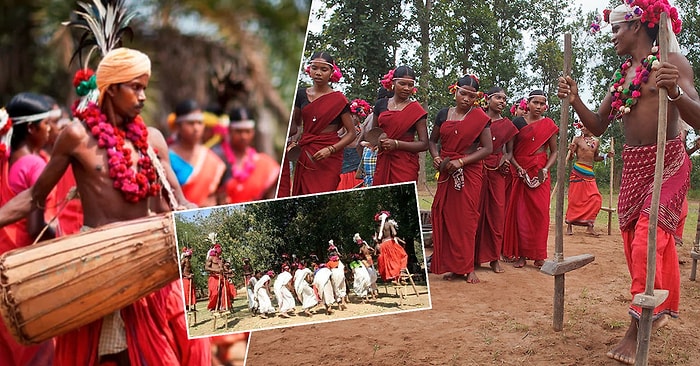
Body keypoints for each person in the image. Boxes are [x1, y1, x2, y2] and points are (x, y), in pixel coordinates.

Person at [0, 47, 209, 365]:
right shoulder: (76, 136)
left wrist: (192, 212)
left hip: (149, 260)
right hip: (96, 263)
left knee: (161, 353)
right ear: (112, 89)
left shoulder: (152, 139)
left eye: (145, 88)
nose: (142, 97)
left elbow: (176, 201)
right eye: (135, 87)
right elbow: (34, 197)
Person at [557, 1, 695, 363]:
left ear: (637, 26)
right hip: (634, 167)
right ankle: (655, 307)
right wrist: (574, 100)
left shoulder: (672, 63)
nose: (613, 36)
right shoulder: (623, 76)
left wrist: (676, 93)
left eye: (617, 29)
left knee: (650, 236)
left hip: (667, 162)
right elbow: (599, 124)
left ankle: (637, 327)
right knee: (635, 242)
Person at [0, 93, 59, 366]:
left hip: (4, 265)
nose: (50, 129)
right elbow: (36, 226)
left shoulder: (6, 164)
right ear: (32, 128)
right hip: (26, 272)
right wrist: (61, 236)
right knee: (37, 352)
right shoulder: (36, 165)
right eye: (46, 123)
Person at [429, 75, 493, 284]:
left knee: (466, 219)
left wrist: (463, 162)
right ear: (454, 91)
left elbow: (488, 149)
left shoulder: (480, 118)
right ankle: (453, 266)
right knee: (446, 217)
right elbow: (432, 141)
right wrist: (436, 157)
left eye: (471, 95)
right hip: (447, 170)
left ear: (477, 98)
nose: (466, 98)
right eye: (462, 93)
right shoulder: (442, 114)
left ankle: (468, 267)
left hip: (469, 172)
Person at [286, 51, 356, 195]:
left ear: (331, 73)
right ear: (309, 70)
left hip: (330, 155)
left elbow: (351, 133)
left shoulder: (339, 100)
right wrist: (291, 141)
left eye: (324, 69)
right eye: (314, 68)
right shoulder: (300, 94)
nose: (318, 73)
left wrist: (330, 149)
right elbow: (296, 125)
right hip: (306, 152)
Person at [502, 89, 558, 269]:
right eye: (536, 103)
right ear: (528, 103)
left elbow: (555, 151)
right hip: (520, 172)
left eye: (542, 104)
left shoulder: (549, 124)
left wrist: (545, 169)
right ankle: (521, 254)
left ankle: (539, 255)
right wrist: (519, 169)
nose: (539, 107)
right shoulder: (517, 123)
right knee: (521, 215)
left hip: (540, 172)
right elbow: (509, 152)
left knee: (540, 214)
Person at [475, 86, 519, 273]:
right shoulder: (476, 118)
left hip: (497, 171)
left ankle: (494, 258)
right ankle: (472, 258)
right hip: (476, 167)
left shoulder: (508, 125)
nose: (502, 101)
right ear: (488, 99)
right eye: (498, 98)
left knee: (496, 214)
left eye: (504, 99)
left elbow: (509, 152)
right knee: (474, 212)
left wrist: (505, 160)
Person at [370, 66, 429, 186]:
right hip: (384, 159)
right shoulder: (381, 105)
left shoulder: (416, 110)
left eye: (410, 85)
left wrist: (396, 144)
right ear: (393, 83)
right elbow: (374, 133)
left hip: (405, 164)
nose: (407, 88)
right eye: (402, 84)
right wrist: (379, 142)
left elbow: (424, 144)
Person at [215, 107, 280, 204]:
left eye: (247, 131)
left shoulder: (264, 163)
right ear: (229, 131)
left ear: (253, 132)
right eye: (239, 131)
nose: (243, 136)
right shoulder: (216, 158)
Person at [168, 99, 226, 207]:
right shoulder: (167, 157)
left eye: (199, 123)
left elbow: (217, 196)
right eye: (190, 123)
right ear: (178, 126)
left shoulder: (211, 159)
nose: (196, 128)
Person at [565, 123, 611, 236]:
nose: (583, 128)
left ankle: (590, 226)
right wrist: (570, 151)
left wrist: (606, 156)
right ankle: (569, 225)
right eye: (582, 126)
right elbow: (570, 158)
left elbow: (595, 158)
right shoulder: (577, 140)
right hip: (578, 171)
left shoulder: (596, 141)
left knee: (596, 199)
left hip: (589, 172)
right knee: (575, 199)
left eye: (586, 126)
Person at [374, 211, 408, 284]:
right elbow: (394, 233)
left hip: (383, 245)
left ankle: (395, 278)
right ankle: (401, 273)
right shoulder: (389, 224)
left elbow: (377, 239)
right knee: (403, 255)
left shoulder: (378, 228)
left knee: (391, 262)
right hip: (390, 243)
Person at [205, 244, 234, 312]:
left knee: (224, 291)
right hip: (214, 277)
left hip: (221, 277)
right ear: (216, 251)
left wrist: (228, 272)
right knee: (215, 293)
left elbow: (223, 269)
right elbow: (206, 268)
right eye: (219, 252)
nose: (220, 253)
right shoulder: (211, 258)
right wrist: (216, 270)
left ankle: (222, 306)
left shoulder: (220, 260)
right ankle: (213, 306)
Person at [181, 247, 197, 312]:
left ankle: (188, 306)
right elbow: (179, 271)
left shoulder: (189, 262)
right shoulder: (183, 261)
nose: (191, 256)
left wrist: (191, 274)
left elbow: (189, 270)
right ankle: (185, 307)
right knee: (186, 293)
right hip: (185, 279)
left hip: (189, 279)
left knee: (190, 292)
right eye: (190, 255)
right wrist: (187, 275)